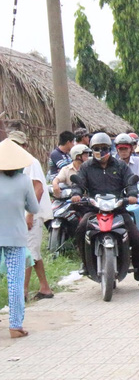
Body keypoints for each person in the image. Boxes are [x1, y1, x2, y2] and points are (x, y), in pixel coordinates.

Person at [70, 133, 139, 281]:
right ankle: (86, 264)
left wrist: (132, 195)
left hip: (117, 208)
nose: (100, 151)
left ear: (109, 149)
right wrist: (76, 194)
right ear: (92, 150)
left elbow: (131, 182)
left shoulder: (120, 165)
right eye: (96, 148)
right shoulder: (86, 167)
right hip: (94, 209)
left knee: (137, 239)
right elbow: (78, 184)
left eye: (104, 148)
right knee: (80, 230)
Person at [8, 132, 55, 302]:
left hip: (31, 215)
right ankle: (45, 287)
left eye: (18, 144)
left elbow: (39, 189)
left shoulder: (30, 162)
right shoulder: (10, 164)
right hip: (18, 215)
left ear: (25, 146)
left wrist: (29, 214)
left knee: (27, 252)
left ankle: (23, 292)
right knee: (33, 252)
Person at [0, 138, 39, 338]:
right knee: (15, 281)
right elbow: (33, 208)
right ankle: (15, 326)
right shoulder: (24, 180)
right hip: (15, 237)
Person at [115, 133, 139, 242]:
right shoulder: (113, 164)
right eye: (120, 148)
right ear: (117, 149)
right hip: (119, 198)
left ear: (131, 149)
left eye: (125, 148)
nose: (123, 151)